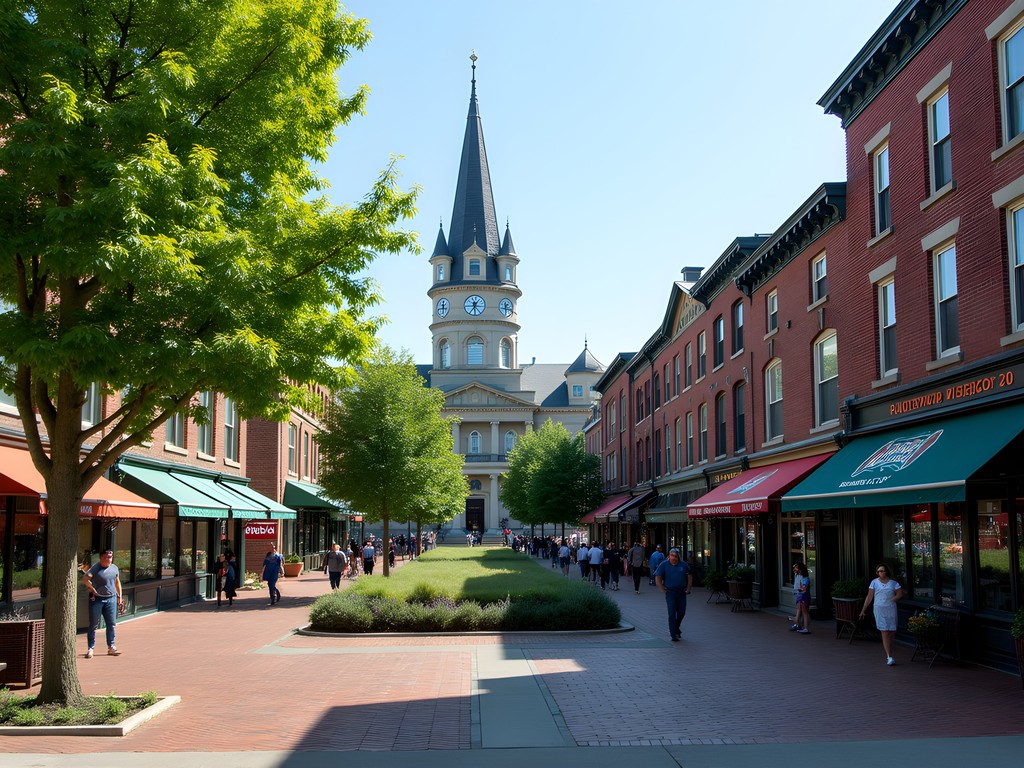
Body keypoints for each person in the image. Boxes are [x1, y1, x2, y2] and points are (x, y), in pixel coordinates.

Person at [82, 548, 124, 657]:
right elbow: (85, 579)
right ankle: (90, 648)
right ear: (101, 558)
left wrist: (119, 596)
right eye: (106, 557)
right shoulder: (96, 568)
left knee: (111, 624)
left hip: (111, 599)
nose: (108, 559)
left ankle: (111, 647)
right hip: (97, 599)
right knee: (93, 624)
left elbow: (117, 582)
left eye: (110, 557)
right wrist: (92, 589)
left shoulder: (114, 568)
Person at [861, 563, 904, 666]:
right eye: (878, 571)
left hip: (891, 609)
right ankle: (889, 656)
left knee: (892, 631)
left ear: (886, 572)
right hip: (879, 609)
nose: (880, 573)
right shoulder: (874, 583)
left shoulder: (893, 583)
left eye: (882, 571)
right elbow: (869, 596)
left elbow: (900, 594)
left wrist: (892, 599)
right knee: (884, 631)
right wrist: (863, 610)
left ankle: (888, 646)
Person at [654, 547, 693, 642]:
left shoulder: (683, 565)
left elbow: (689, 576)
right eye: (672, 556)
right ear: (669, 556)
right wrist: (662, 589)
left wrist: (688, 589)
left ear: (678, 557)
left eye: (676, 556)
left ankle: (676, 628)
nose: (674, 558)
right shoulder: (664, 564)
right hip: (670, 592)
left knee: (681, 612)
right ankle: (673, 634)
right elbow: (657, 576)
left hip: (681, 592)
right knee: (672, 613)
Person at [791, 562, 811, 633]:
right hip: (799, 595)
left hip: (803, 595)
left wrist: (800, 589)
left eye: (796, 568)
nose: (795, 569)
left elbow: (803, 588)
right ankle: (798, 624)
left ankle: (804, 627)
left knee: (804, 611)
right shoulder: (797, 575)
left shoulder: (805, 578)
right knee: (800, 610)